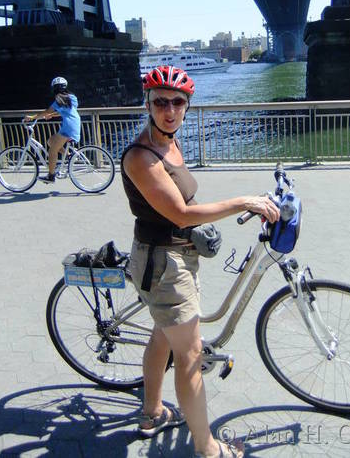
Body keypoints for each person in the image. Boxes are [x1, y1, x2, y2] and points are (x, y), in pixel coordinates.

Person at [121, 65, 280, 458]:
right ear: (148, 104)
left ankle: (151, 411)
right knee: (188, 357)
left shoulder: (171, 144)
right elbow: (180, 214)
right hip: (164, 265)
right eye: (160, 102)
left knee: (163, 337)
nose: (169, 110)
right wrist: (243, 201)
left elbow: (184, 206)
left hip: (176, 256)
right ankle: (207, 447)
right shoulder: (142, 157)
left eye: (178, 102)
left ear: (188, 106)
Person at [25, 76, 81, 183]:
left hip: (68, 126)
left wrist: (32, 117)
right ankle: (69, 155)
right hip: (73, 123)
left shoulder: (59, 99)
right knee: (50, 141)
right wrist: (52, 115)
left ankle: (51, 176)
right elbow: (66, 111)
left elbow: (46, 111)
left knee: (52, 150)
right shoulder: (72, 97)